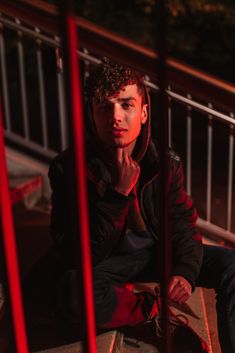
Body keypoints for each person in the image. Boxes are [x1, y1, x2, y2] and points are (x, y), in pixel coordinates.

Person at [48, 61, 235, 353]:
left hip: (154, 253)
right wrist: (117, 197)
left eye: (126, 104)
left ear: (144, 112)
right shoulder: (67, 168)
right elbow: (76, 253)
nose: (116, 117)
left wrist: (185, 271)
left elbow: (182, 223)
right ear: (90, 114)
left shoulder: (165, 162)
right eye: (104, 106)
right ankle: (150, 311)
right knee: (73, 291)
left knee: (231, 265)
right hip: (106, 261)